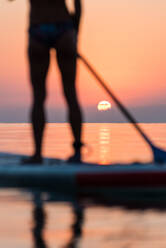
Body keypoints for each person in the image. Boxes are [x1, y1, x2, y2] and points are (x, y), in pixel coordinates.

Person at [9, 0, 83, 164]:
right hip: (64, 29)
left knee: (38, 97)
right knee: (71, 93)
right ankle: (77, 153)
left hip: (38, 29)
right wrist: (75, 33)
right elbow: (78, 3)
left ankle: (37, 154)